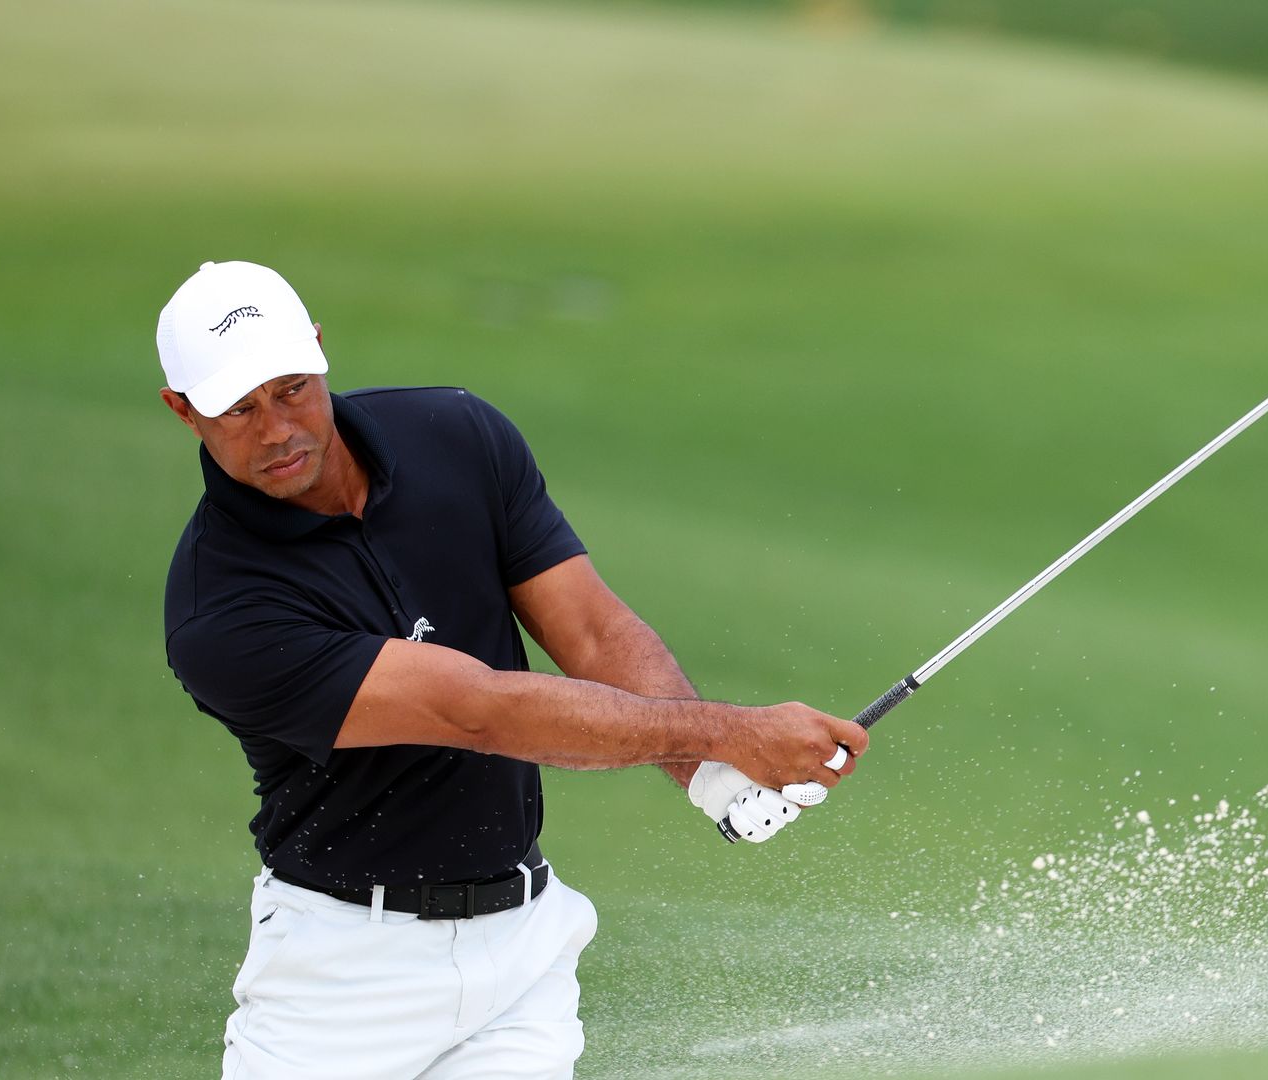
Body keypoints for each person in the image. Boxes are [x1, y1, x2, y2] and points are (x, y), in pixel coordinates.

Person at [156, 260, 866, 1079]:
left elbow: (592, 632)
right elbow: (481, 713)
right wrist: (733, 734)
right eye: (239, 409)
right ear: (183, 410)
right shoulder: (221, 610)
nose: (278, 429)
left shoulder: (456, 435)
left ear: (318, 350)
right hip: (342, 982)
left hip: (522, 951)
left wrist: (709, 774)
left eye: (290, 390)